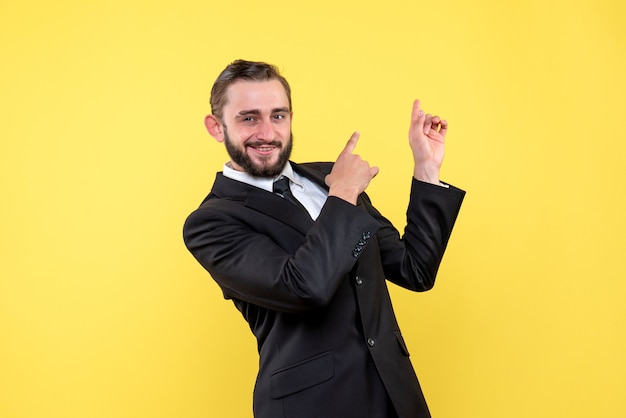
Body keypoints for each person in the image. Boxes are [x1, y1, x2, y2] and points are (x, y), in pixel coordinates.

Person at [183, 59, 465, 418]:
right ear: (216, 127)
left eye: (278, 115)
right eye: (248, 118)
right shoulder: (211, 222)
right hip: (312, 406)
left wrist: (426, 168)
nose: (267, 133)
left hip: (394, 395)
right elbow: (303, 288)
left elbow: (414, 270)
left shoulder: (328, 179)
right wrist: (344, 191)